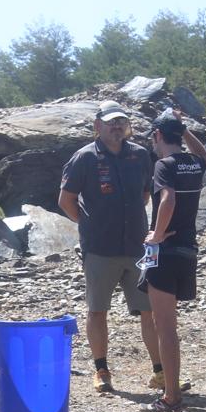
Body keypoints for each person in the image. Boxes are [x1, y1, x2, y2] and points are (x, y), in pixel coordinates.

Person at [58, 100, 160, 394]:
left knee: (148, 311)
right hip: (100, 248)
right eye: (111, 122)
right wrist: (89, 224)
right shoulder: (84, 158)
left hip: (137, 246)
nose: (117, 127)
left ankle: (159, 371)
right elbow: (66, 200)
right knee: (98, 310)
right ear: (97, 126)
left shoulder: (140, 155)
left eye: (121, 122)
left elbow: (144, 194)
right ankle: (101, 369)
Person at [139, 110, 206, 412]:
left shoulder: (164, 165)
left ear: (156, 136)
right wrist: (184, 131)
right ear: (177, 136)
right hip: (188, 249)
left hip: (165, 253)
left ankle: (171, 396)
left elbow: (166, 198)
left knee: (164, 327)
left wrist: (155, 234)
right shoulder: (193, 163)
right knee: (168, 325)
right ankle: (171, 390)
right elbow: (203, 153)